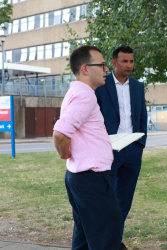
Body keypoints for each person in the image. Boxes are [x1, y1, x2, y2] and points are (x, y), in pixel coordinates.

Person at [53, 45, 121, 250]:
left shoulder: (76, 92)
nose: (106, 69)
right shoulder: (86, 95)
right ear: (85, 69)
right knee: (105, 238)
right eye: (101, 65)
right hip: (91, 179)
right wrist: (65, 154)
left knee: (83, 238)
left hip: (81, 178)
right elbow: (60, 133)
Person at [95, 45, 147, 250]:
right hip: (109, 149)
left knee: (125, 200)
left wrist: (140, 143)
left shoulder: (137, 86)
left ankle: (114, 241)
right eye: (125, 61)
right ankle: (103, 241)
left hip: (133, 150)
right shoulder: (101, 84)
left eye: (132, 61)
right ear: (114, 62)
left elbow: (142, 115)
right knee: (107, 199)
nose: (129, 65)